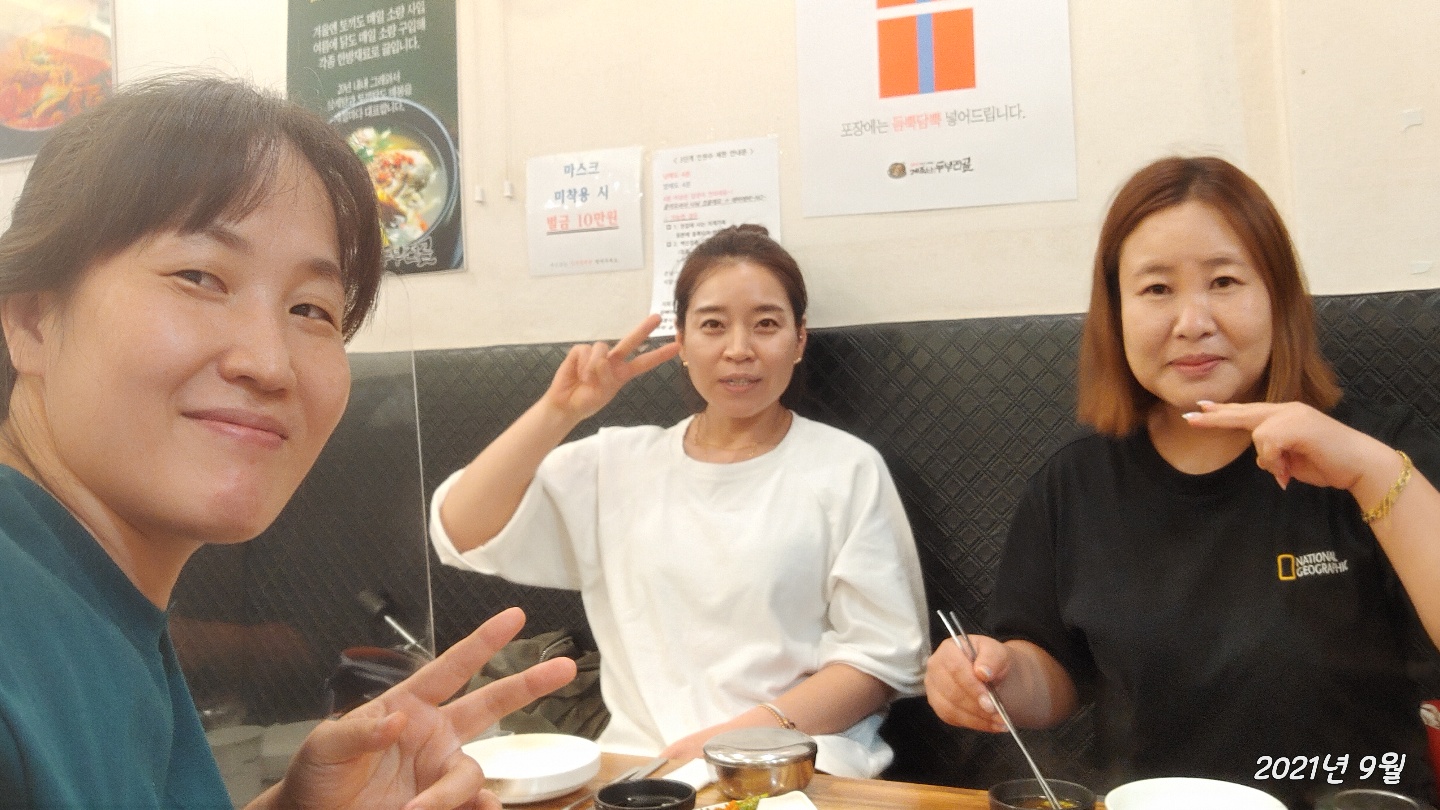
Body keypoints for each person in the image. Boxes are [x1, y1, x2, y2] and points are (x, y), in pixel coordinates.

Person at [0, 76, 575, 809]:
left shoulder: (90, 602)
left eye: (312, 309)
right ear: (32, 319)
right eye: (199, 276)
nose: (269, 364)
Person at [924, 156, 1440, 808]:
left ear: (1278, 297)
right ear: (1115, 311)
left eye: (1224, 281)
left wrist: (1370, 472)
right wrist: (996, 679)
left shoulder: (1378, 450)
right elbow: (1051, 673)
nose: (1192, 321)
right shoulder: (1075, 482)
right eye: (1157, 289)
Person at [430, 224, 928, 777]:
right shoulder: (618, 464)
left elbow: (883, 660)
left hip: (794, 765)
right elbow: (459, 530)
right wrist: (560, 412)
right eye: (713, 325)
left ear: (799, 340)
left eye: (766, 324)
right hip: (639, 770)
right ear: (683, 342)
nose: (739, 349)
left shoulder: (846, 467)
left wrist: (733, 740)